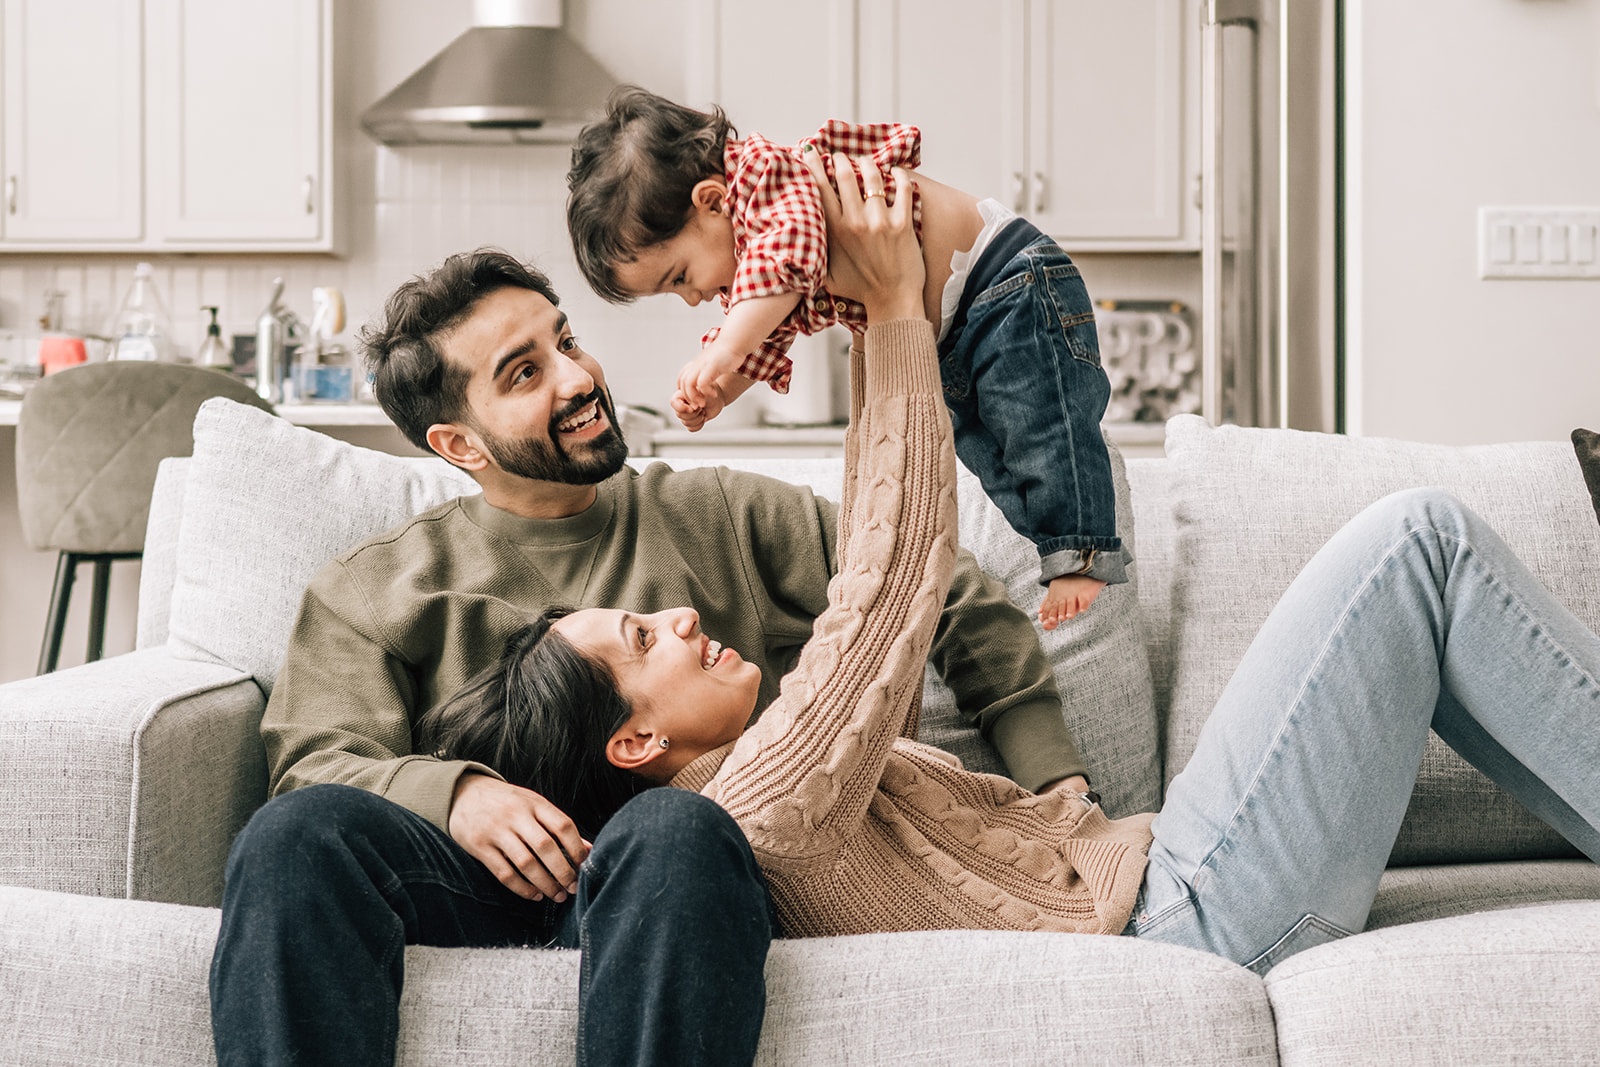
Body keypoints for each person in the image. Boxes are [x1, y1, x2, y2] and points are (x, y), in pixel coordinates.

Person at [431, 151, 1600, 973]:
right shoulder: (757, 801)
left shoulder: (759, 783)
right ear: (634, 742)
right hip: (1190, 913)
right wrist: (892, 315)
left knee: (1419, 576)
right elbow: (886, 582)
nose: (679, 617)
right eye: (643, 640)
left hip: (1167, 865)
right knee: (1417, 544)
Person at [209, 233, 1093, 1062]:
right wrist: (458, 795)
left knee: (671, 826)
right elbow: (312, 761)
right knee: (293, 837)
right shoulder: (379, 587)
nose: (578, 377)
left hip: (684, 881)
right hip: (474, 881)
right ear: (458, 443)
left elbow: (933, 585)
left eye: (566, 342)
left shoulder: (719, 514)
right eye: (525, 373)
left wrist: (1057, 780)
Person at [567, 86, 1121, 630]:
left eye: (680, 277)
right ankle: (1057, 547)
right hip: (955, 333)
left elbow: (785, 267)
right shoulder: (755, 268)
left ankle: (1082, 552)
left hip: (1007, 281)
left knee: (1042, 430)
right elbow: (769, 327)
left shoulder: (768, 179)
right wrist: (719, 390)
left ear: (711, 201)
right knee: (993, 457)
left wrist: (719, 354)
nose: (692, 297)